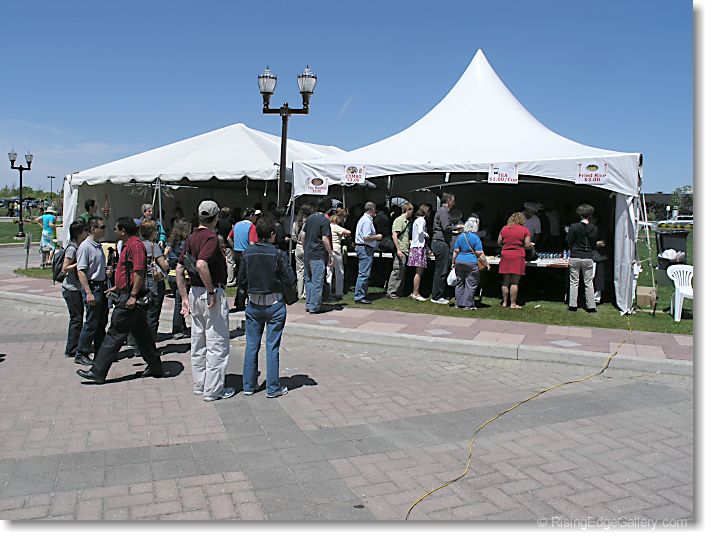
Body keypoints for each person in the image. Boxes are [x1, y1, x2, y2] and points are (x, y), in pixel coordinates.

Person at [76, 217, 164, 384]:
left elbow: (139, 272)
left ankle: (97, 371)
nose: (114, 231)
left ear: (123, 230)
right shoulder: (127, 244)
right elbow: (129, 272)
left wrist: (132, 296)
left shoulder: (135, 245)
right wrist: (118, 286)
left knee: (114, 333)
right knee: (143, 336)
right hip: (126, 293)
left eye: (116, 228)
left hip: (130, 297)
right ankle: (155, 367)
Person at [176, 200, 235, 401]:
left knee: (198, 340)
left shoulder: (191, 237)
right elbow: (201, 264)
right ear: (216, 217)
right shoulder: (210, 237)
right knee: (217, 342)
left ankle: (200, 384)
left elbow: (179, 269)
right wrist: (211, 291)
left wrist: (184, 297)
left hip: (194, 292)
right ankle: (213, 389)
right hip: (209, 291)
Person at [238, 217, 296, 398]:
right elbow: (290, 278)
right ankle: (272, 388)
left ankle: (248, 385)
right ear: (272, 234)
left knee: (251, 345)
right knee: (272, 347)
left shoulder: (247, 253)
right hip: (275, 304)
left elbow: (241, 279)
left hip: (254, 303)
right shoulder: (279, 254)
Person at [74, 217, 109, 365]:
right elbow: (81, 271)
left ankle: (100, 351)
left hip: (101, 286)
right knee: (91, 323)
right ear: (93, 229)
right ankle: (81, 352)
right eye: (102, 227)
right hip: (93, 287)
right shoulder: (85, 247)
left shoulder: (98, 246)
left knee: (101, 321)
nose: (104, 229)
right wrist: (88, 292)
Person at [566, 203, 602, 313]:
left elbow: (569, 240)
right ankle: (591, 306)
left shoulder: (573, 226)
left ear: (579, 214)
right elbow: (593, 243)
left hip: (575, 255)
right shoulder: (594, 228)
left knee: (574, 282)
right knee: (589, 282)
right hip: (587, 256)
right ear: (590, 215)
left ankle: (572, 305)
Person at [61, 220, 89, 358]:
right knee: (76, 319)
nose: (86, 233)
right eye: (84, 231)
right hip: (70, 289)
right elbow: (64, 268)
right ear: (78, 233)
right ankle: (71, 348)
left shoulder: (79, 246)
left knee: (78, 318)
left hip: (76, 288)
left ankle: (76, 345)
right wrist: (79, 264)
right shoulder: (72, 248)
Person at [302, 197, 335, 313]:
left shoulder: (310, 218)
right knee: (317, 281)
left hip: (308, 252)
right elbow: (325, 238)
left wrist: (305, 247)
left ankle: (308, 303)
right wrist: (331, 254)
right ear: (329, 209)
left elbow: (303, 235)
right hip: (318, 253)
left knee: (308, 279)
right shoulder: (325, 220)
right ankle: (314, 306)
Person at [139, 220, 169, 340]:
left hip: (141, 282)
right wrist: (165, 255)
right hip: (154, 283)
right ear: (151, 232)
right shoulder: (153, 246)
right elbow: (164, 266)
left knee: (142, 314)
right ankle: (149, 342)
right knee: (152, 314)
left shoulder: (138, 244)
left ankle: (138, 342)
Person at [430, 193, 462, 304]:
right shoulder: (443, 211)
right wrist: (456, 227)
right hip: (441, 243)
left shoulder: (441, 211)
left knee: (440, 270)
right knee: (441, 271)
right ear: (448, 201)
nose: (454, 203)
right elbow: (446, 227)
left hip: (439, 242)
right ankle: (436, 296)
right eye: (453, 201)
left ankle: (437, 294)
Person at [452, 217, 489, 310]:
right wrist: (486, 263)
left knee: (459, 283)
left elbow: (456, 251)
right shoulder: (476, 238)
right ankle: (468, 305)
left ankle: (458, 303)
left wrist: (453, 262)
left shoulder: (461, 236)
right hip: (472, 263)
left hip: (459, 261)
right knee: (471, 284)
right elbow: (479, 253)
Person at [497, 212, 533, 309]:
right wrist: (531, 246)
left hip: (505, 255)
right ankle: (513, 303)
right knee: (514, 282)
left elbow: (499, 242)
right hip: (518, 256)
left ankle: (505, 302)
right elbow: (527, 245)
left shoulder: (504, 229)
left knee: (505, 281)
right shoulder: (524, 230)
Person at [165, 218, 192, 339]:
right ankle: (177, 330)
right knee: (180, 303)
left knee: (179, 302)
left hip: (171, 275)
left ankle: (182, 327)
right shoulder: (184, 244)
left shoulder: (171, 243)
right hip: (181, 276)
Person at [228, 209, 259, 311]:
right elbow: (252, 243)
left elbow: (229, 238)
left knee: (241, 278)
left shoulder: (237, 225)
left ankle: (239, 301)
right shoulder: (252, 226)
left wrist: (234, 246)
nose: (256, 217)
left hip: (237, 253)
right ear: (250, 216)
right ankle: (247, 301)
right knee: (247, 279)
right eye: (255, 215)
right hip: (246, 254)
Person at [353, 201, 382, 305]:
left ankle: (361, 294)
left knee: (363, 272)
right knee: (364, 273)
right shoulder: (367, 221)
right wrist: (377, 237)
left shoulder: (364, 219)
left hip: (362, 247)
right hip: (365, 248)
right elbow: (366, 237)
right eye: (375, 209)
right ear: (372, 209)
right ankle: (359, 296)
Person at [386, 202, 413, 298]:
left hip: (404, 249)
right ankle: (391, 292)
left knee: (401, 271)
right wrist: (398, 249)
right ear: (407, 210)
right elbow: (394, 236)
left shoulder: (406, 221)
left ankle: (398, 291)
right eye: (411, 210)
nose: (412, 213)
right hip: (401, 249)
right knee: (397, 271)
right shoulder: (399, 220)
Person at [326, 208, 351, 300]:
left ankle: (327, 292)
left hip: (328, 249)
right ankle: (339, 292)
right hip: (336, 250)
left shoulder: (327, 226)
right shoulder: (336, 226)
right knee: (339, 272)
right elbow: (348, 232)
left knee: (329, 272)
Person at [408, 205, 430, 301]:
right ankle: (416, 293)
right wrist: (426, 234)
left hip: (414, 247)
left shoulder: (416, 220)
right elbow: (421, 231)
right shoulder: (422, 220)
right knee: (419, 272)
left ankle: (414, 292)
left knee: (417, 272)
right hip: (419, 247)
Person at [292, 204, 312, 300]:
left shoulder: (295, 223)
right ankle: (306, 292)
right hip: (307, 247)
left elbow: (293, 237)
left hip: (298, 246)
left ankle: (299, 294)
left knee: (299, 272)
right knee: (308, 271)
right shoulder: (309, 223)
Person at [216, 207, 236, 287]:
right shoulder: (229, 223)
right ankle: (230, 280)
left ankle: (221, 279)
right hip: (227, 245)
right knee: (230, 262)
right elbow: (231, 235)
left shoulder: (217, 222)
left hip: (219, 245)